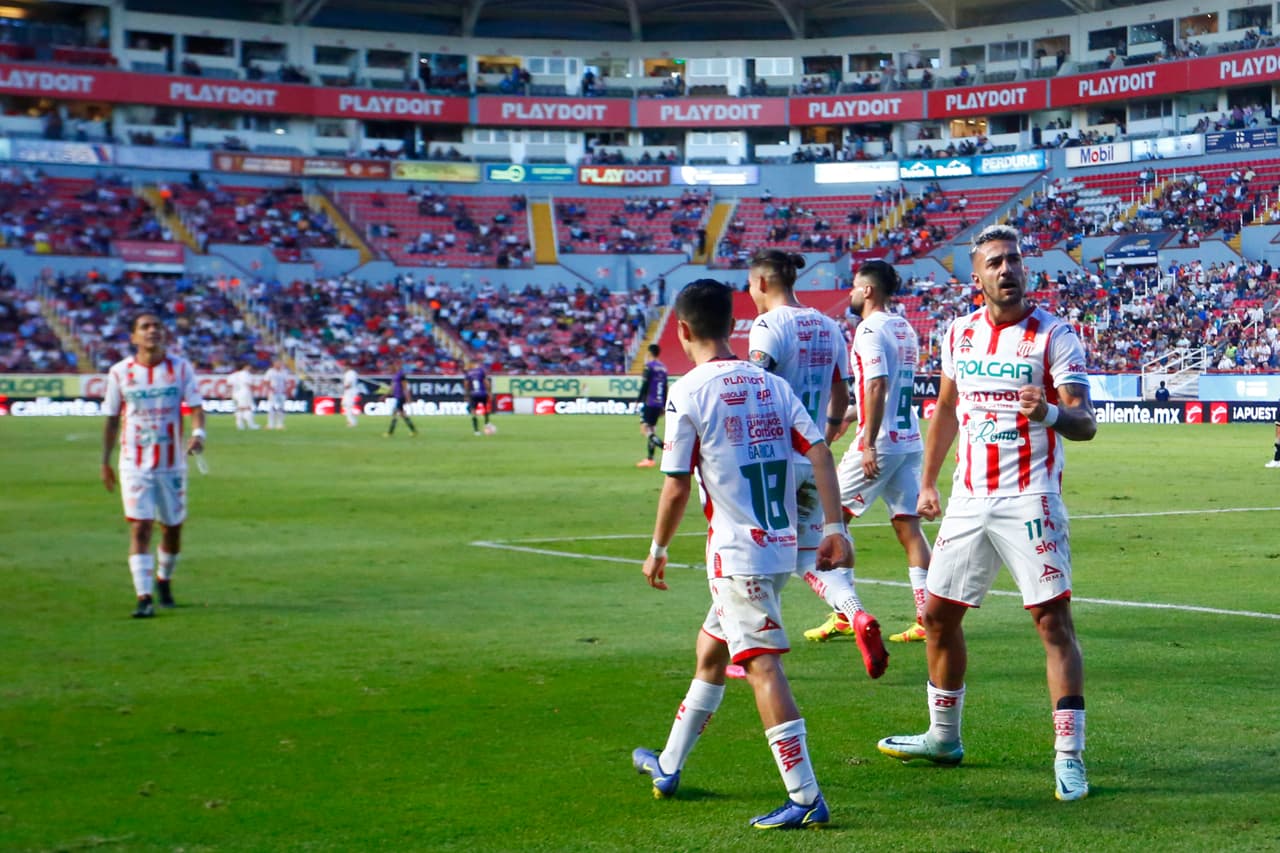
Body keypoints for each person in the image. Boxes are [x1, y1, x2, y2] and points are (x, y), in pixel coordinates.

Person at [876, 224, 1097, 802]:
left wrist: (1049, 413)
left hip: (1031, 498)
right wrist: (927, 480)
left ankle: (1069, 757)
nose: (1007, 269)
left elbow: (1086, 422)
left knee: (1053, 624)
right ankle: (943, 738)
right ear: (976, 276)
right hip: (969, 499)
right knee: (938, 618)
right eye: (995, 262)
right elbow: (946, 409)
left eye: (1014, 260)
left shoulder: (1055, 335)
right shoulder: (958, 334)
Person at [631, 279, 852, 829]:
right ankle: (668, 763)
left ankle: (805, 797)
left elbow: (677, 484)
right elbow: (821, 450)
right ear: (736, 326)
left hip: (738, 555)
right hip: (778, 547)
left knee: (760, 665)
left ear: (682, 331)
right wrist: (834, 528)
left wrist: (658, 549)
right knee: (710, 651)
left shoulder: (688, 391)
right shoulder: (770, 384)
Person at [746, 249, 888, 679]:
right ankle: (856, 613)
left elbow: (758, 388)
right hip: (811, 458)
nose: (750, 294)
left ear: (765, 283)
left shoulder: (767, 326)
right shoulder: (829, 327)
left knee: (748, 553)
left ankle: (749, 648)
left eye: (751, 285)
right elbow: (841, 394)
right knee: (811, 556)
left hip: (773, 460)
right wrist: (821, 440)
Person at [815, 259, 933, 644]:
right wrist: (851, 414)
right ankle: (927, 617)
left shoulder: (868, 330)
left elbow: (879, 385)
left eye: (853, 286)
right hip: (908, 439)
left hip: (880, 443)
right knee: (907, 526)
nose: (848, 292)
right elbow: (891, 389)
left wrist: (866, 441)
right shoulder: (904, 327)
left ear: (868, 290)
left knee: (828, 521)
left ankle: (845, 612)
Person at [101, 313, 206, 618]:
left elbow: (197, 409)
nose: (152, 331)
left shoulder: (181, 368)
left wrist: (198, 435)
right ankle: (143, 597)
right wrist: (104, 461)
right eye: (144, 327)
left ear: (165, 334)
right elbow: (110, 419)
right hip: (134, 462)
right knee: (140, 526)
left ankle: (164, 580)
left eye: (157, 326)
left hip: (172, 464)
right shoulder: (119, 372)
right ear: (133, 337)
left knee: (172, 529)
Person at [635, 343, 668, 467]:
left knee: (645, 430)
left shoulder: (649, 367)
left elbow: (645, 384)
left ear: (649, 353)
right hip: (659, 403)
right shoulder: (663, 368)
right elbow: (665, 387)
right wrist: (664, 405)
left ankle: (665, 448)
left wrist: (639, 399)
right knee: (652, 429)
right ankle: (650, 459)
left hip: (650, 402)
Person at [385, 363, 418, 437]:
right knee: (403, 415)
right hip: (397, 397)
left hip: (401, 397)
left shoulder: (401, 375)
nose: (389, 370)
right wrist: (385, 395)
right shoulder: (395, 376)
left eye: (390, 368)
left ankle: (390, 432)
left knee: (395, 413)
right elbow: (392, 387)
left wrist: (408, 398)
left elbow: (405, 387)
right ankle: (413, 430)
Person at [465, 361, 495, 435]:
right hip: (482, 393)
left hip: (473, 394)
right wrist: (489, 392)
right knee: (485, 409)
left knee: (473, 412)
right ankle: (487, 424)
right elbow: (486, 382)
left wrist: (467, 394)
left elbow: (466, 384)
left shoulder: (468, 373)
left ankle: (476, 431)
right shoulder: (481, 371)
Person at [229, 362, 258, 430]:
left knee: (240, 408)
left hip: (235, 393)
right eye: (249, 366)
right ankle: (251, 425)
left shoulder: (233, 375)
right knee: (247, 408)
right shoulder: (245, 374)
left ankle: (240, 424)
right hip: (244, 392)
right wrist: (254, 388)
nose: (250, 368)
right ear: (245, 366)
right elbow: (248, 383)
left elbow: (230, 385)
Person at [264, 358, 291, 430]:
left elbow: (286, 382)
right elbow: (266, 381)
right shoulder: (270, 371)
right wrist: (270, 389)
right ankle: (270, 424)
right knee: (272, 408)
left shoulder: (284, 372)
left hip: (282, 392)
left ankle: (280, 424)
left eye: (280, 363)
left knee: (281, 409)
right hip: (273, 393)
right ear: (274, 364)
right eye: (278, 363)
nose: (279, 365)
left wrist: (287, 390)